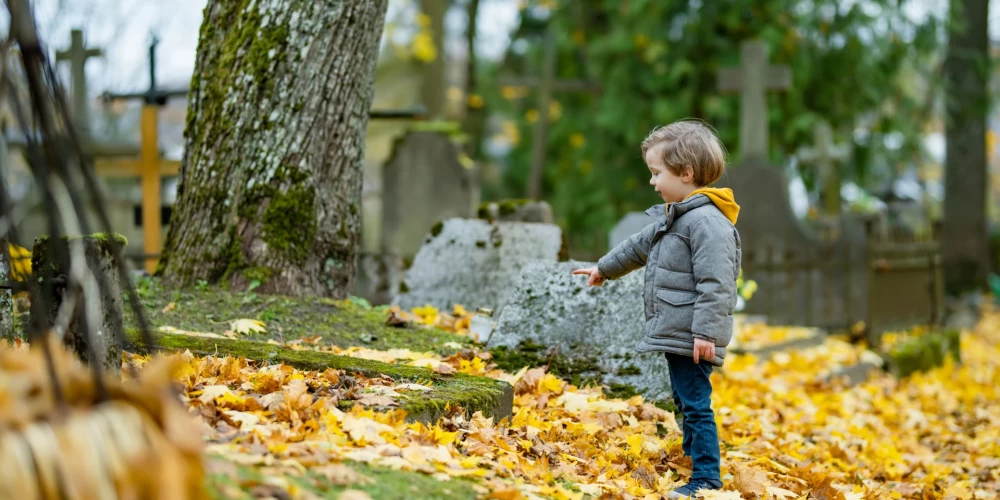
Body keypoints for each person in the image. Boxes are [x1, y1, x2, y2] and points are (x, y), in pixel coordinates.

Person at [573, 120, 741, 499]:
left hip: (694, 335)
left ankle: (707, 479)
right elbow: (637, 246)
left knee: (696, 404)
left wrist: (707, 334)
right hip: (679, 329)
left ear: (686, 172)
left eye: (656, 173)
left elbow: (718, 284)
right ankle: (693, 461)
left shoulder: (707, 224)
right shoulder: (678, 215)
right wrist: (603, 268)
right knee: (685, 399)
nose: (652, 181)